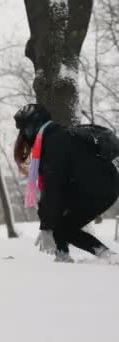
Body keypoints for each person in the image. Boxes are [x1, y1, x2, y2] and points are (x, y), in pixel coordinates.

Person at [13, 103, 119, 263]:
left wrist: (46, 227)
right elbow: (52, 192)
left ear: (33, 126)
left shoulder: (54, 143)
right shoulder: (55, 137)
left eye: (25, 130)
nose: (24, 135)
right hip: (99, 187)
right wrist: (47, 223)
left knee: (63, 226)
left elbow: (53, 188)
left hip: (98, 188)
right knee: (60, 223)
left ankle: (106, 257)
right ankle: (66, 256)